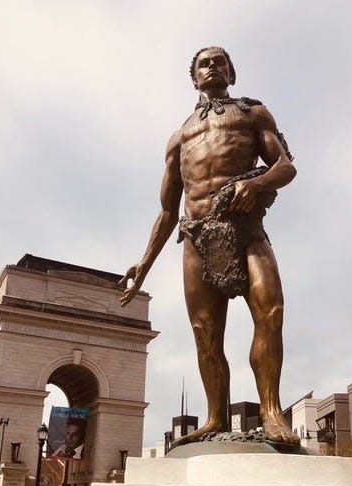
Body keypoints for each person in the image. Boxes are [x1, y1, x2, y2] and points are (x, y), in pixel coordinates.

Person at [120, 46, 299, 446]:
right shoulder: (178, 137)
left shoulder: (254, 113)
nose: (213, 66)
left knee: (270, 311)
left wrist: (255, 183)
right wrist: (143, 265)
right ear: (195, 77)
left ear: (231, 73)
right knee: (205, 332)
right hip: (197, 237)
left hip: (246, 230)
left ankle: (271, 411)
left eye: (221, 61)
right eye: (205, 63)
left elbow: (285, 166)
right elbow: (167, 211)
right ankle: (217, 415)